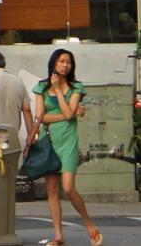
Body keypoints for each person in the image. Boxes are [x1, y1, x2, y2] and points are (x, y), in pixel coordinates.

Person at [30, 49, 100, 246]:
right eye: (61, 61)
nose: (65, 65)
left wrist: (60, 93)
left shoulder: (76, 87)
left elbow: (69, 113)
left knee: (68, 188)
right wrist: (70, 113)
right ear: (53, 63)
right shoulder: (41, 87)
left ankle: (90, 225)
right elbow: (42, 116)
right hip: (49, 140)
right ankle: (58, 236)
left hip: (68, 141)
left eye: (68, 62)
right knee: (52, 189)